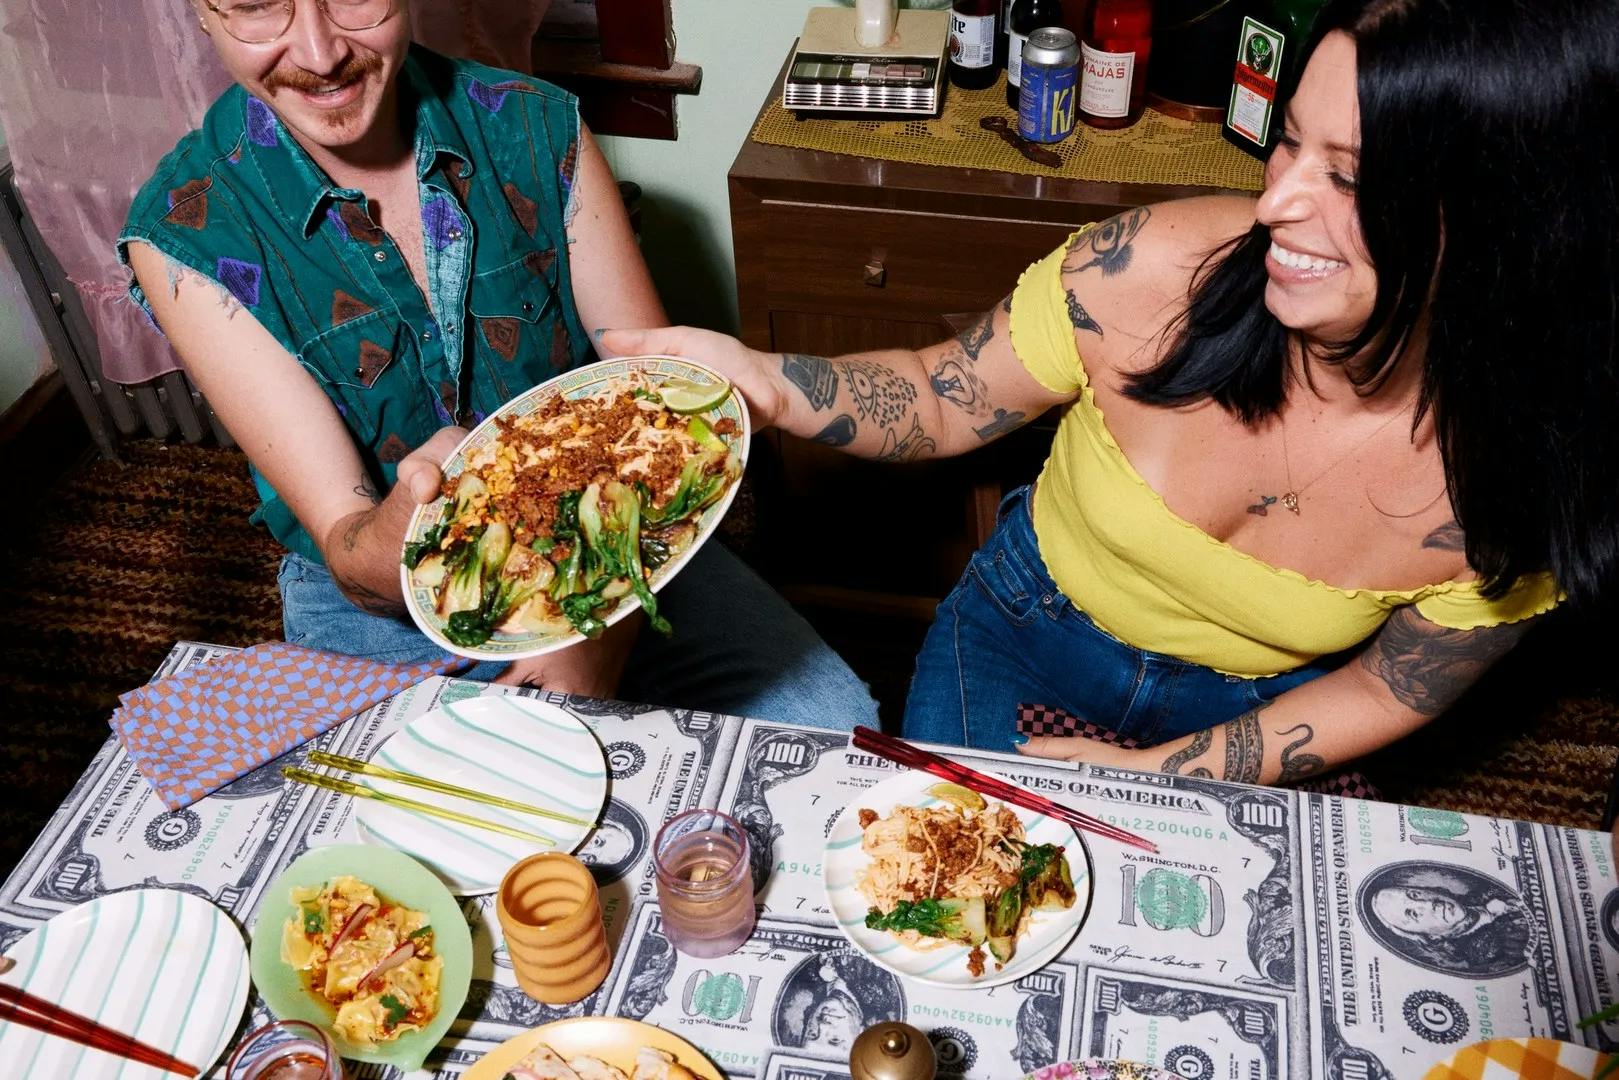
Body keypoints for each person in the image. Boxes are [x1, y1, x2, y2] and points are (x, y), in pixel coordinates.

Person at [603, 0, 1619, 784]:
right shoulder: (1148, 269)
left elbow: (1389, 685)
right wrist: (764, 387)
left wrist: (1148, 778)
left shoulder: (1530, 472)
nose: (1275, 204)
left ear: (1507, 231)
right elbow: (940, 393)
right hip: (1023, 631)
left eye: (1349, 179)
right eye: (1289, 143)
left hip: (1268, 711)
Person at [117, 0, 876, 730]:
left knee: (832, 728)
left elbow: (659, 413)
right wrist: (405, 540)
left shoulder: (536, 125)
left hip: (616, 521)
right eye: (256, 6)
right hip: (384, 599)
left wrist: (597, 624)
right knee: (473, 825)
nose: (320, 54)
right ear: (202, 12)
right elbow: (349, 549)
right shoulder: (183, 233)